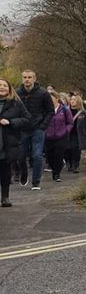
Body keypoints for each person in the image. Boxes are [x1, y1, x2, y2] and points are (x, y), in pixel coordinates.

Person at [15, 69, 52, 190]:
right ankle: (23, 173)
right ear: (22, 79)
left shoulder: (43, 93)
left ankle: (36, 181)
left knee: (37, 155)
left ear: (34, 79)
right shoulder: (17, 93)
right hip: (22, 129)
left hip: (37, 128)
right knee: (20, 156)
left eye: (29, 77)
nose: (27, 80)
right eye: (25, 77)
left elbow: (50, 111)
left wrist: (43, 125)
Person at [0, 78, 31, 208]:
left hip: (7, 142)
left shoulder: (16, 103)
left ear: (9, 88)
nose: (1, 87)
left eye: (4, 85)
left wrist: (11, 122)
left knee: (5, 171)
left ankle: (5, 197)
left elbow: (27, 119)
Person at [42, 89, 74, 182]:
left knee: (59, 155)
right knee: (50, 156)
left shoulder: (64, 109)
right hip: (49, 137)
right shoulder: (45, 110)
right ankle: (53, 168)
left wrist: (66, 131)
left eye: (51, 98)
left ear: (57, 98)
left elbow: (70, 122)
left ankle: (56, 173)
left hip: (61, 137)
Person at [66, 94, 86, 175]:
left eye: (74, 100)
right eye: (71, 99)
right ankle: (69, 163)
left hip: (78, 135)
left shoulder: (83, 113)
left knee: (76, 150)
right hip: (68, 134)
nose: (72, 101)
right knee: (67, 150)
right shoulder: (66, 111)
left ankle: (76, 165)